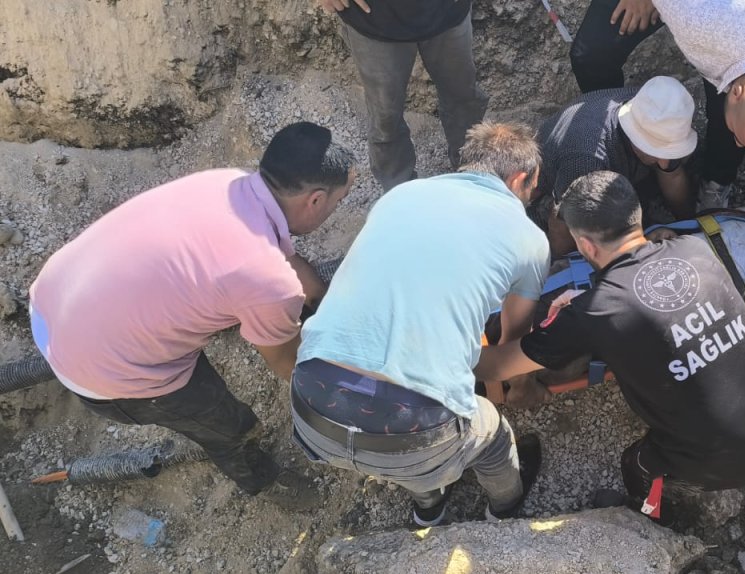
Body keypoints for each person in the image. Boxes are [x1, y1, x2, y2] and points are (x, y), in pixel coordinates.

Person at [29, 122, 355, 510]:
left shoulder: (226, 183)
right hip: (108, 376)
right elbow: (289, 365)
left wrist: (318, 295)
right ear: (315, 201)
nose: (334, 211)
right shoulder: (267, 282)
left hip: (55, 303)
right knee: (225, 423)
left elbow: (276, 262)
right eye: (338, 202)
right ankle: (264, 480)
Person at [476, 170, 745, 519]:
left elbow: (495, 366)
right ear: (637, 217)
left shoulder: (596, 310)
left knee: (635, 464)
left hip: (723, 460)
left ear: (585, 246)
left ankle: (645, 516)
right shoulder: (694, 248)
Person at [289, 122, 547, 527]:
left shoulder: (401, 196)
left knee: (392, 437)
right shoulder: (529, 237)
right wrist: (517, 389)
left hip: (312, 405)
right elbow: (514, 335)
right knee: (491, 434)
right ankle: (505, 510)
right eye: (532, 188)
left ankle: (428, 508)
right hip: (413, 426)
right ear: (519, 178)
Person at [568, 0, 745, 210]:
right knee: (590, 56)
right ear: (737, 91)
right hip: (713, 19)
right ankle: (613, 131)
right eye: (740, 137)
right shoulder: (697, 17)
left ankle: (717, 179)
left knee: (728, 123)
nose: (739, 143)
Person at [315, 0, 489, 190]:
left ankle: (473, 176)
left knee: (463, 98)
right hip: (374, 20)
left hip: (448, 11)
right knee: (386, 117)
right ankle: (399, 192)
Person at [536, 76, 698, 256]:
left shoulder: (656, 111)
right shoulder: (587, 159)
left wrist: (690, 224)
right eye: (657, 152)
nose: (664, 163)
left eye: (670, 153)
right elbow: (561, 224)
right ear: (636, 137)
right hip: (559, 184)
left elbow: (672, 175)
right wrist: (561, 266)